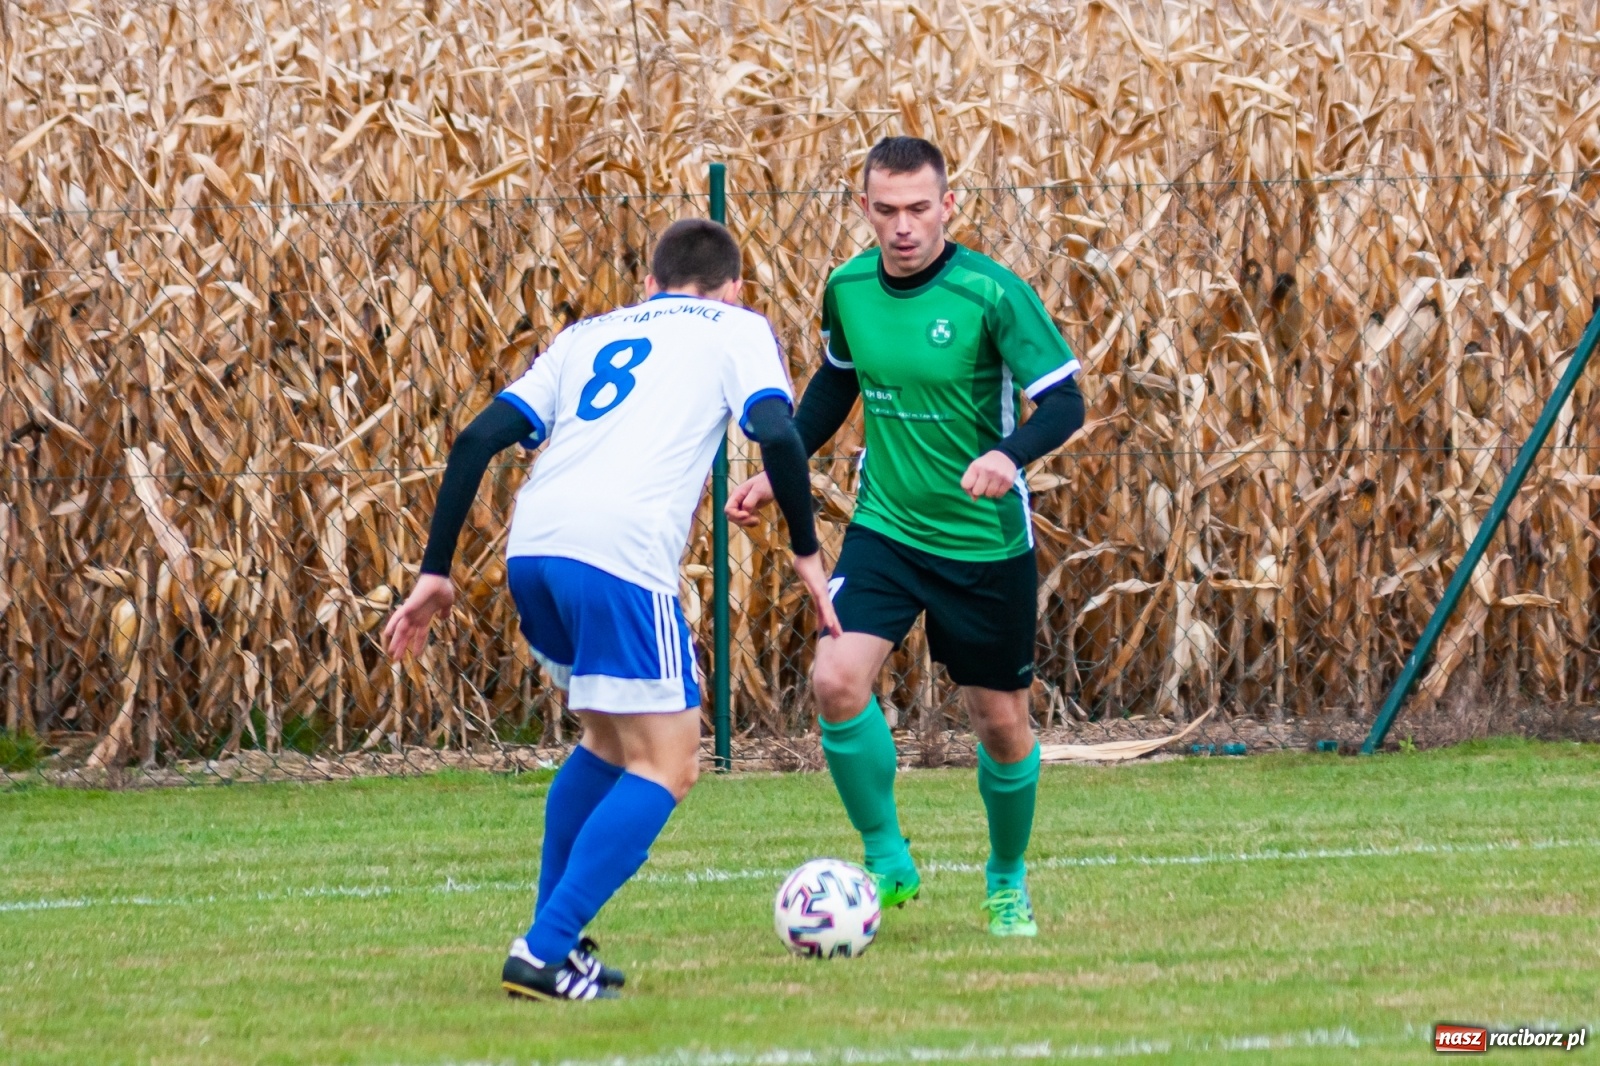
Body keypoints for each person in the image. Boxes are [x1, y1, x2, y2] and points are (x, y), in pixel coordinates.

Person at [385, 219, 838, 1001]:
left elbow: (473, 440)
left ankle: (555, 948)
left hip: (536, 548)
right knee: (671, 763)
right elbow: (780, 438)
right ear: (732, 287)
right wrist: (805, 548)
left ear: (651, 285)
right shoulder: (737, 326)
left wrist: (435, 573)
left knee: (604, 742)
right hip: (620, 557)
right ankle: (543, 948)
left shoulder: (587, 334)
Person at [727, 137, 1085, 938]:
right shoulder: (848, 287)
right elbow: (834, 384)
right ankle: (888, 860)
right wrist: (777, 470)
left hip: (984, 545)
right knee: (835, 681)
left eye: (919, 209)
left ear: (947, 206)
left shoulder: (991, 293)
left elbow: (1065, 404)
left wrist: (1008, 453)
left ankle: (1005, 880)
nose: (902, 227)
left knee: (1001, 725)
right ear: (864, 209)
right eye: (885, 210)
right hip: (885, 530)